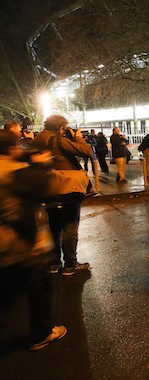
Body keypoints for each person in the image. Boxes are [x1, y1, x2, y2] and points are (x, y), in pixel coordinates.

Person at [0, 131, 68, 350]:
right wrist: (41, 164)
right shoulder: (17, 171)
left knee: (9, 290)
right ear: (12, 149)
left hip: (7, 245)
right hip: (23, 243)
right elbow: (51, 188)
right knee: (38, 286)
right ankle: (41, 334)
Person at [33, 115, 93, 276]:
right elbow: (87, 152)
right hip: (67, 188)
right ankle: (70, 264)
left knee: (54, 225)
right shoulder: (57, 140)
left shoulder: (37, 139)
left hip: (48, 188)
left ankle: (53, 263)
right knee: (70, 224)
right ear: (60, 128)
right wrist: (79, 138)